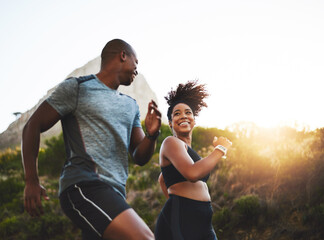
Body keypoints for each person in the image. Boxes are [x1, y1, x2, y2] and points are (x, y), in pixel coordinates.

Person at [22, 39, 161, 240]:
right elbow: (32, 126)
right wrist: (31, 180)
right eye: (136, 62)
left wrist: (152, 134)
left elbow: (139, 155)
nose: (137, 70)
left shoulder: (131, 106)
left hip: (115, 195)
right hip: (84, 186)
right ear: (123, 55)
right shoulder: (77, 88)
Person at [154, 81, 232, 240]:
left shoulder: (188, 152)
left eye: (188, 112)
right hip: (182, 221)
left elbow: (163, 178)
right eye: (176, 113)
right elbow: (192, 173)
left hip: (203, 223)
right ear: (170, 123)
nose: (183, 115)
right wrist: (220, 149)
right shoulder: (171, 142)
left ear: (194, 119)